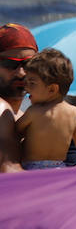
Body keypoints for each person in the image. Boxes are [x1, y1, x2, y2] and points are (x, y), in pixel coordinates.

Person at [17, 49, 76, 170]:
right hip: (58, 169)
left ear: (52, 89)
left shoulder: (34, 111)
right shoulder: (74, 113)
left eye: (32, 83)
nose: (26, 86)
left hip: (31, 169)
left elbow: (15, 133)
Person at [0, 23, 38, 172]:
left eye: (28, 63)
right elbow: (8, 169)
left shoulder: (23, 117)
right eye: (10, 64)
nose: (21, 73)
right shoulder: (2, 111)